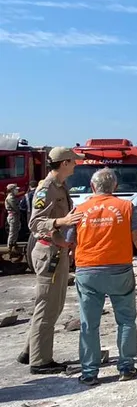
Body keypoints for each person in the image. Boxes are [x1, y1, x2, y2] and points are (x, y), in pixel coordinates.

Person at [73, 168, 137, 385]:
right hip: (119, 271)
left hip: (87, 270)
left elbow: (69, 240)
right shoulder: (126, 207)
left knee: (89, 324)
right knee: (126, 320)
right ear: (115, 187)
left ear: (92, 187)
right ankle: (126, 367)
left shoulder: (79, 209)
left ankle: (89, 372)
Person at [17, 147, 84, 374]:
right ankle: (40, 361)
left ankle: (30, 351)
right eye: (73, 161)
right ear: (64, 163)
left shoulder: (60, 186)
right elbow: (35, 223)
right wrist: (61, 222)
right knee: (48, 307)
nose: (76, 164)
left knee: (49, 305)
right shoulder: (46, 189)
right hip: (49, 253)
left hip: (56, 250)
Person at [4, 184, 22, 260]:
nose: (17, 191)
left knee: (15, 231)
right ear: (11, 190)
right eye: (15, 189)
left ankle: (13, 243)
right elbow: (16, 208)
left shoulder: (13, 197)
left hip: (14, 216)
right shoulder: (11, 198)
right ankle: (10, 247)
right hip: (13, 216)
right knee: (12, 232)